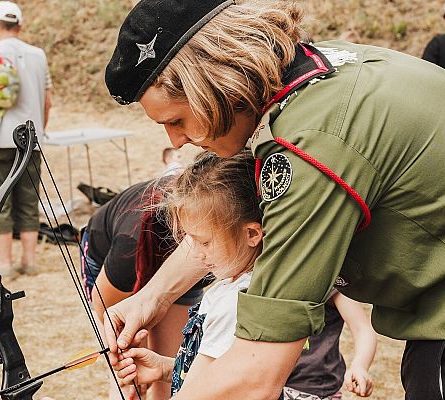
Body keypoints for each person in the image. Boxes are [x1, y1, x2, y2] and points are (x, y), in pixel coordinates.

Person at [103, 1, 445, 399]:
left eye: (176, 121)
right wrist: (151, 298)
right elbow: (225, 225)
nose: (176, 141)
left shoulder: (309, 145)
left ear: (212, 84)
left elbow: (256, 373)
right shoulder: (317, 77)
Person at [115, 151, 377, 399]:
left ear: (252, 234)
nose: (195, 253)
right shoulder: (228, 290)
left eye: (204, 242)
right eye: (190, 240)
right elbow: (215, 375)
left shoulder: (235, 302)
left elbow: (213, 389)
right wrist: (164, 368)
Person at [81, 176, 210, 399]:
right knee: (125, 381)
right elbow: (111, 313)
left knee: (167, 381)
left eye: (207, 244)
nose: (202, 254)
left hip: (173, 257)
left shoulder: (214, 242)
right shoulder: (128, 248)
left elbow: (168, 368)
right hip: (116, 257)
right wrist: (128, 361)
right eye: (200, 244)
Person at [0, 1, 52, 277]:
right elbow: (47, 101)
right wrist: (38, 129)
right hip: (30, 142)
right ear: (20, 25)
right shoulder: (39, 54)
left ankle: (5, 265)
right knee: (28, 200)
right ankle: (29, 261)